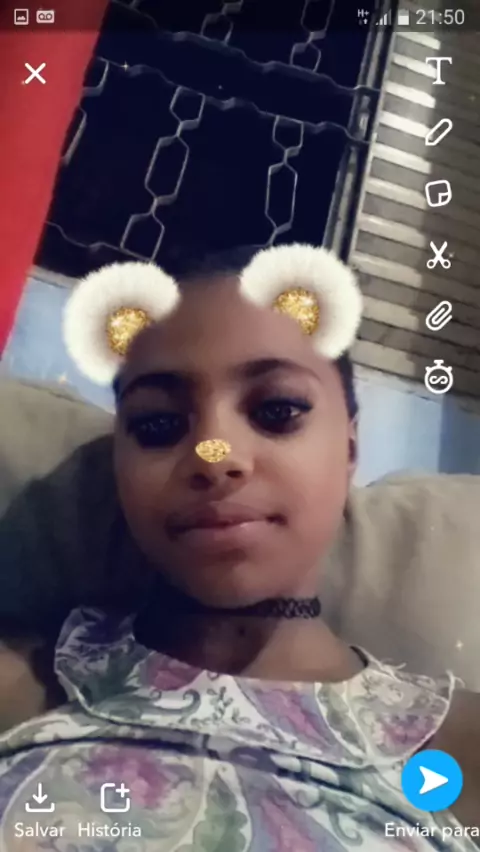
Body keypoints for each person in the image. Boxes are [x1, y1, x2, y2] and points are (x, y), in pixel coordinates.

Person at [0, 244, 478, 851]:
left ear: (350, 449)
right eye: (158, 425)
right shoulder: (25, 693)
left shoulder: (460, 750)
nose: (214, 455)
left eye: (277, 411)